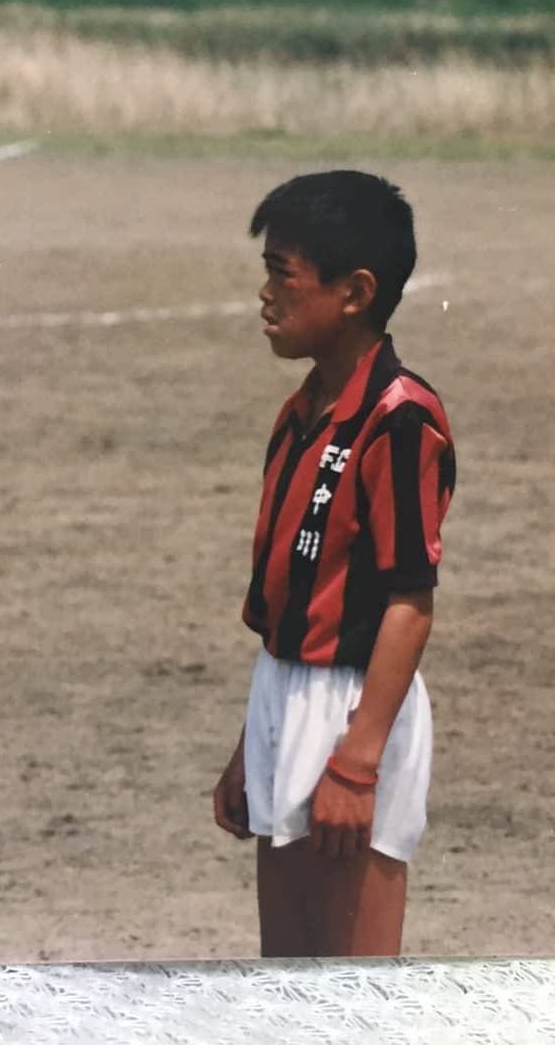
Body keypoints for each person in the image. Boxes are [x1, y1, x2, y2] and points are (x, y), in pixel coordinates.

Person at [212, 169, 455, 957]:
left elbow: (410, 602)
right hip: (284, 693)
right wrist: (253, 742)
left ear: (354, 292)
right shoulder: (299, 414)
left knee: (358, 994)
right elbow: (284, 605)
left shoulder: (401, 419)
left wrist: (357, 759)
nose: (263, 294)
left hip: (357, 707)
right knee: (285, 980)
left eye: (282, 273)